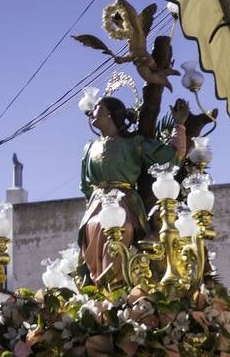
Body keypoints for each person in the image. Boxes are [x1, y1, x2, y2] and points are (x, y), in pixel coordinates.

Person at [77, 95, 189, 283]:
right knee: (95, 225)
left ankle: (117, 281)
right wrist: (92, 203)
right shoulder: (89, 147)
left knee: (124, 227)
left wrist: (179, 125)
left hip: (125, 201)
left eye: (97, 107)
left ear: (110, 114)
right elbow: (85, 184)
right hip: (97, 203)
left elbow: (170, 156)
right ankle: (99, 281)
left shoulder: (134, 143)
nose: (91, 111)